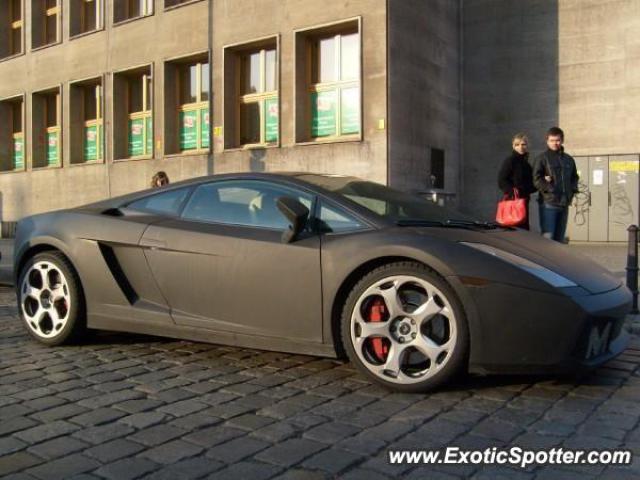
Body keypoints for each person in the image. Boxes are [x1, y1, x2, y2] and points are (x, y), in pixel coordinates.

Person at [532, 127, 578, 242]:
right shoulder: (542, 159)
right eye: (552, 140)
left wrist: (572, 192)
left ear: (562, 140)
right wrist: (550, 189)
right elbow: (536, 179)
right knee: (548, 238)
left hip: (564, 203)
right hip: (549, 203)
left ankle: (557, 260)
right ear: (547, 141)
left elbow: (574, 177)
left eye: (557, 140)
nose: (555, 143)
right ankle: (544, 260)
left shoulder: (569, 159)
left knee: (560, 238)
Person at [497, 133, 535, 229]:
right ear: (513, 146)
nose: (520, 147)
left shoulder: (526, 164)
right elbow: (501, 180)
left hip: (524, 201)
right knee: (514, 229)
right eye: (517, 144)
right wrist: (513, 192)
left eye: (523, 144)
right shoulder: (510, 161)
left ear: (527, 146)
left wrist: (541, 182)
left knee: (523, 230)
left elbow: (531, 184)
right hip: (513, 203)